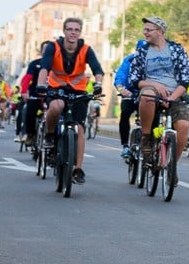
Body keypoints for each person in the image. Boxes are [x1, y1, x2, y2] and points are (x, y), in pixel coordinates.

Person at [36, 18, 105, 185]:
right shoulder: (54, 47)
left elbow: (97, 69)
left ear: (80, 32)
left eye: (76, 29)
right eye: (69, 29)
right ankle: (50, 134)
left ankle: (77, 169)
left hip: (78, 89)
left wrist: (98, 84)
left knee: (80, 129)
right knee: (56, 106)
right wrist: (40, 85)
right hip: (56, 87)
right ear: (64, 31)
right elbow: (45, 67)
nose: (73, 32)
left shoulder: (86, 49)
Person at [127, 16, 189, 162]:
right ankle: (146, 137)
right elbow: (134, 79)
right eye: (144, 30)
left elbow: (186, 78)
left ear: (160, 31)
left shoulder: (177, 50)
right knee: (147, 95)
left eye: (149, 30)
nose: (145, 33)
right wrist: (155, 85)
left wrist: (171, 97)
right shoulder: (142, 52)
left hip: (174, 94)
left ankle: (171, 165)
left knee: (183, 126)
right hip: (151, 90)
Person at [114, 39, 148, 159]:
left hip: (147, 95)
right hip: (130, 94)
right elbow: (120, 75)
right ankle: (125, 146)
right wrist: (121, 89)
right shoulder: (129, 60)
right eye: (141, 50)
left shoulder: (155, 62)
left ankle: (151, 145)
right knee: (125, 113)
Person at [20, 41, 52, 148]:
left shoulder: (57, 65)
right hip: (35, 94)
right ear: (41, 51)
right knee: (29, 113)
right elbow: (27, 78)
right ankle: (30, 135)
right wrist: (24, 92)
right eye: (45, 49)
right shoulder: (34, 64)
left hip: (52, 95)